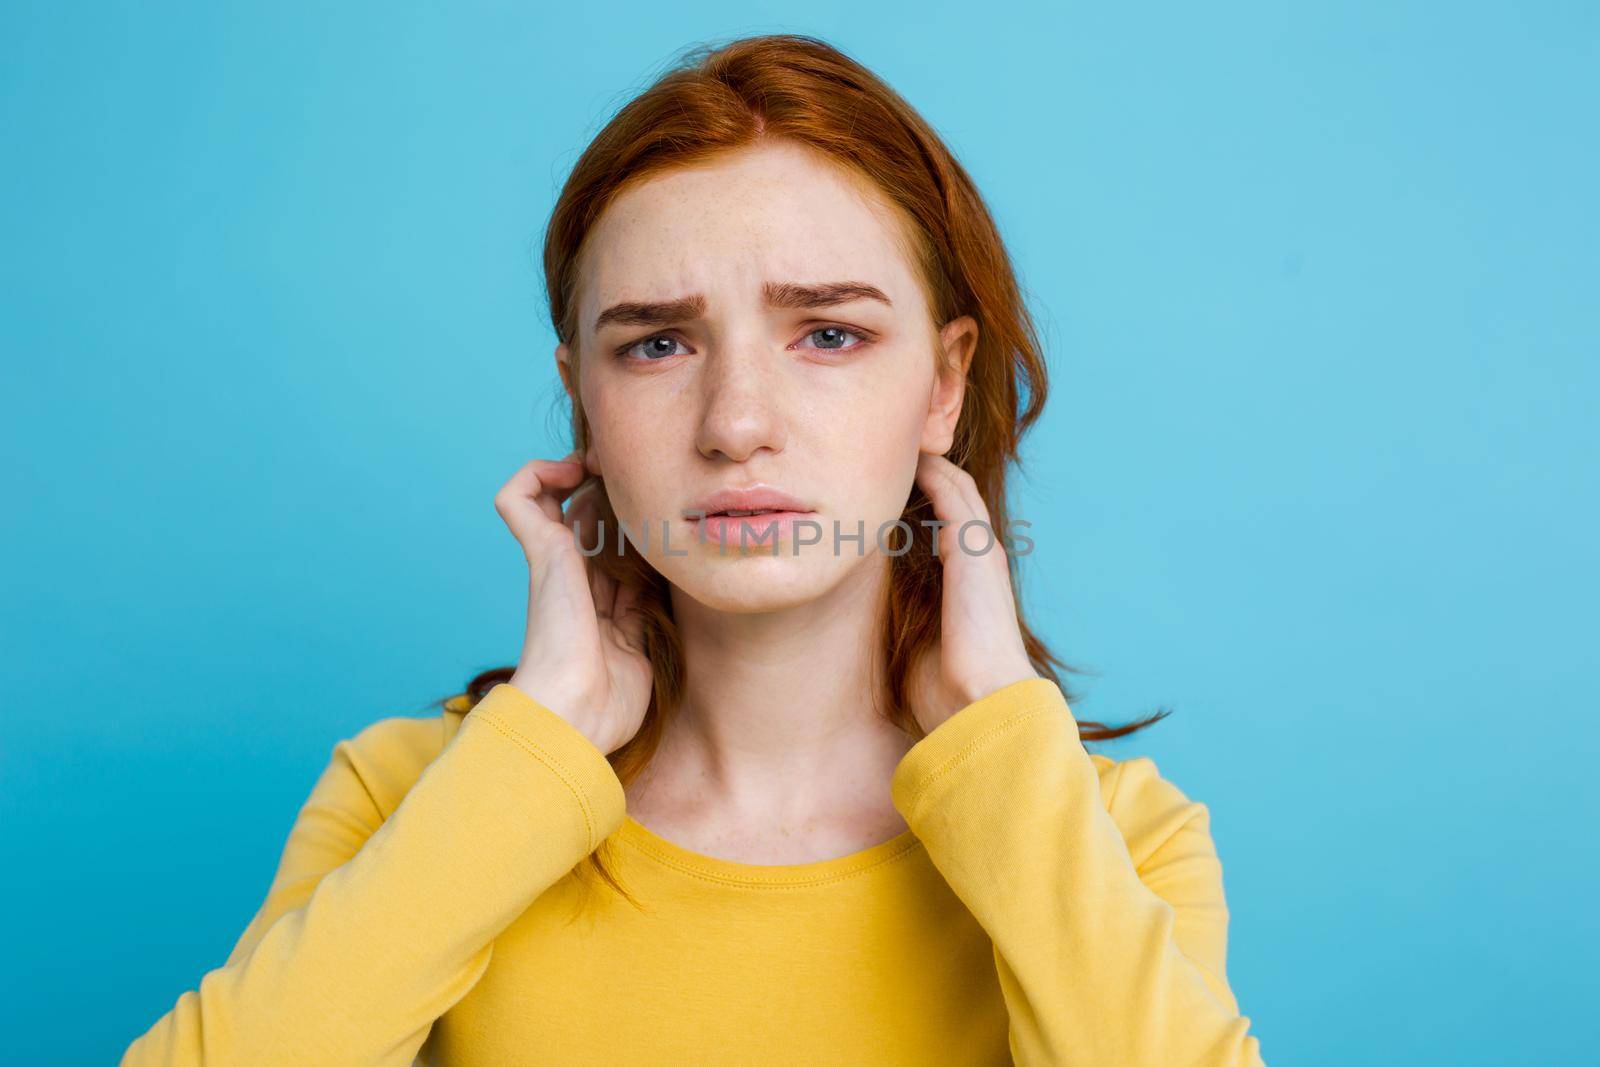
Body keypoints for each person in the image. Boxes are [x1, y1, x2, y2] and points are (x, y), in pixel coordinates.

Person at [122, 33, 1266, 1066]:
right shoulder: (410, 793)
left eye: (828, 333)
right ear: (584, 401)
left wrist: (999, 753)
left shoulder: (1113, 837)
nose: (734, 423)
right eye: (658, 343)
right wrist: (536, 752)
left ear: (944, 380)